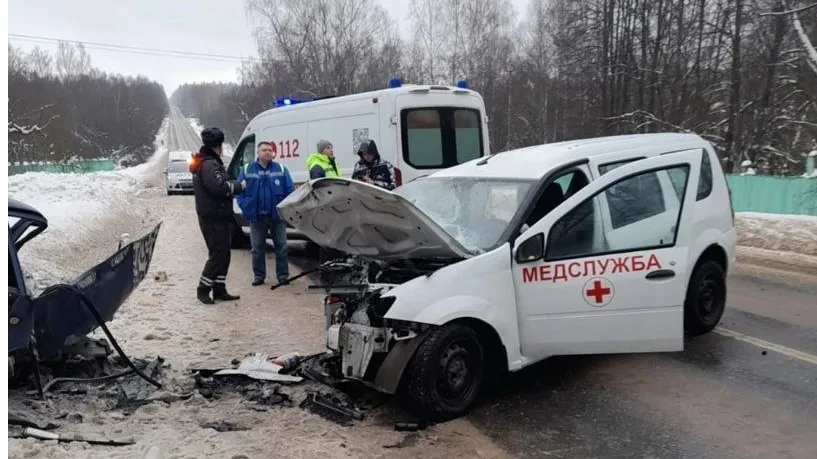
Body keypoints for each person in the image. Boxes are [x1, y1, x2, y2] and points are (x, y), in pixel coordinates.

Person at [190, 127, 246, 304]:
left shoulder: (209, 162)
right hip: (213, 218)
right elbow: (219, 187)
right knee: (217, 254)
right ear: (218, 146)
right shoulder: (209, 164)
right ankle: (203, 289)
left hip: (219, 216)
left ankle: (219, 289)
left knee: (224, 254)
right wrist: (238, 186)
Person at [236, 141, 295, 286]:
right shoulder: (247, 169)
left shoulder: (281, 169)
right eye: (264, 150)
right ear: (258, 152)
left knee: (281, 247)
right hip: (256, 217)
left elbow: (290, 191)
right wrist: (245, 207)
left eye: (270, 150)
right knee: (257, 249)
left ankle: (283, 276)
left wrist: (285, 210)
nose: (268, 152)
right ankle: (259, 276)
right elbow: (239, 192)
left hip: (276, 217)